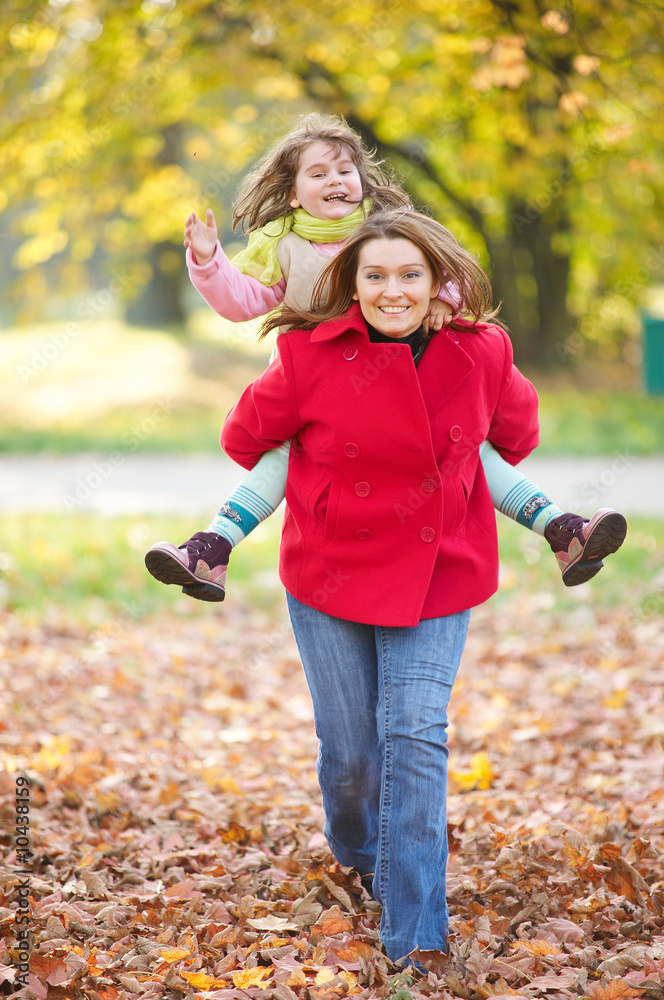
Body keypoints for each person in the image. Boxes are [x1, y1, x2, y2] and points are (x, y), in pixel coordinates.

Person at [220, 208, 537, 963]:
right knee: (353, 759)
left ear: (437, 282)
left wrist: (484, 360)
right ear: (353, 285)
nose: (393, 291)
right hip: (329, 570)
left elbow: (517, 436)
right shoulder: (308, 353)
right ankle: (361, 853)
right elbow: (243, 438)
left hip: (439, 571)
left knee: (416, 735)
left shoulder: (481, 349)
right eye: (376, 276)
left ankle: (415, 941)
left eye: (410, 275)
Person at [145, 113, 626, 600]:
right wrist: (207, 262)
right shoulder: (282, 244)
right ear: (292, 193)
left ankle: (563, 531)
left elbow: (443, 266)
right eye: (318, 173)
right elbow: (242, 302)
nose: (335, 181)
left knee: (467, 449)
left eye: (345, 170)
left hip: (398, 363)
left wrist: (446, 300)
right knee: (285, 453)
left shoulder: (385, 228)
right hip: (319, 373)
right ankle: (212, 548)